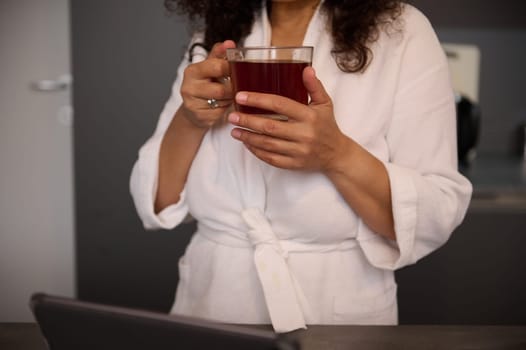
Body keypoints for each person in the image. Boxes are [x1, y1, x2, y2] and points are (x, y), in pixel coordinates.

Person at [130, 0, 472, 333]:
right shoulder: (216, 34)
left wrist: (335, 153)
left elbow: (435, 210)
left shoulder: (402, 30)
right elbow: (157, 201)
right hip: (213, 301)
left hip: (337, 315)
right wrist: (191, 118)